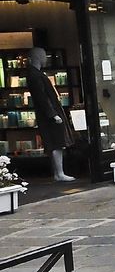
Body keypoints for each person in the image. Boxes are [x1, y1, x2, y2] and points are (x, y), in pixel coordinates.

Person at [27, 46, 74, 182]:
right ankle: (59, 173)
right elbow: (41, 97)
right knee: (56, 143)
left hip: (49, 113)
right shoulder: (35, 75)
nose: (45, 59)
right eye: (43, 56)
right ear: (38, 58)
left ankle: (58, 173)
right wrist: (52, 114)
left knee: (56, 143)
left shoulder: (35, 74)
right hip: (49, 115)